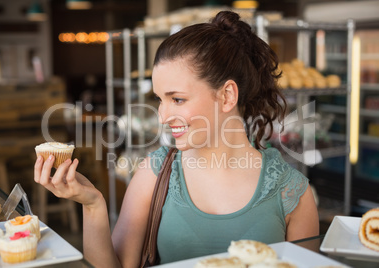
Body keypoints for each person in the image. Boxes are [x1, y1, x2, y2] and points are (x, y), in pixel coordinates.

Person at [34, 11, 319, 268]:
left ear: (227, 96)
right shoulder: (155, 173)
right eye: (160, 99)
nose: (163, 116)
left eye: (178, 99)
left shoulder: (292, 194)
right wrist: (93, 204)